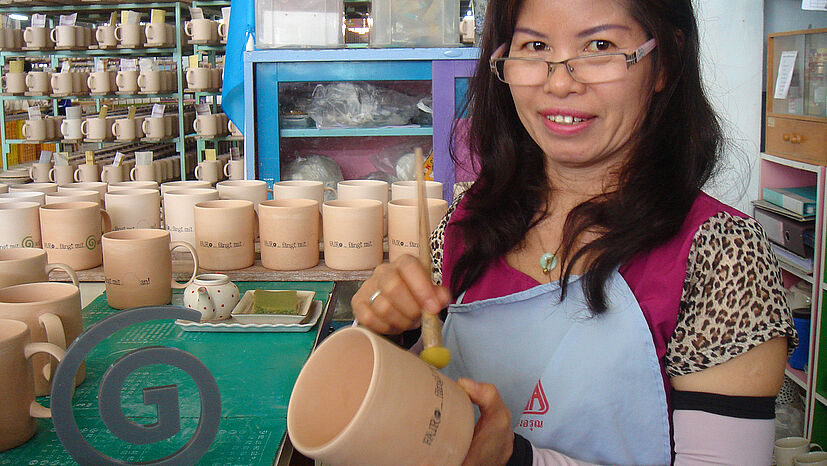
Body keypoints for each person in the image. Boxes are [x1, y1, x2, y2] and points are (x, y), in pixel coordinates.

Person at [352, 0, 798, 464]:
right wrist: (389, 335)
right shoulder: (471, 220)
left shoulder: (720, 252)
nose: (560, 81)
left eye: (600, 46)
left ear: (663, 62)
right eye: (535, 46)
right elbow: (426, 393)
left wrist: (516, 459)